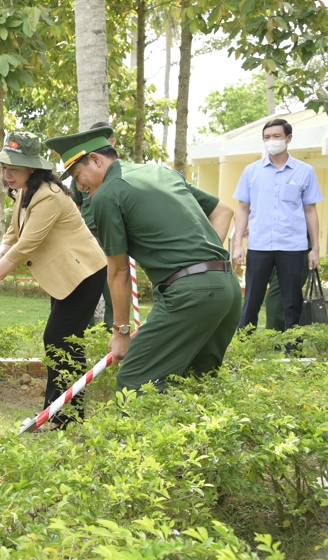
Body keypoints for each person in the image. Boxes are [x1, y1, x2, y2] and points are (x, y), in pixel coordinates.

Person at [47, 125, 241, 392]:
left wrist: (120, 333)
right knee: (197, 383)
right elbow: (223, 211)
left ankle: (136, 436)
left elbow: (118, 271)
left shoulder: (106, 195)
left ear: (96, 159)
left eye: (79, 176)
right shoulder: (159, 172)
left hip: (190, 295)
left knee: (134, 381)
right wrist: (202, 267)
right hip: (226, 286)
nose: (79, 187)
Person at [0, 132, 107, 427]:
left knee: (59, 340)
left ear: (32, 169)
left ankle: (63, 416)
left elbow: (27, 245)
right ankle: (60, 413)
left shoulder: (49, 196)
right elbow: (13, 233)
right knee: (66, 343)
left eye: (13, 169)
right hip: (65, 276)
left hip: (84, 275)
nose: (7, 174)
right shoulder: (25, 191)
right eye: (4, 168)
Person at [231, 118, 322, 334]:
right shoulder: (251, 171)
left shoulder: (305, 171)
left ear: (288, 139)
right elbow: (242, 208)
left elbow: (310, 211)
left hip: (293, 247)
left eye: (276, 136)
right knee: (251, 301)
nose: (271, 141)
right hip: (259, 245)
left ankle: (293, 349)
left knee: (292, 303)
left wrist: (315, 248)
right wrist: (237, 244)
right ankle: (247, 346)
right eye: (267, 137)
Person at [67, 121, 117, 328]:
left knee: (113, 285)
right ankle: (84, 329)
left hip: (112, 238)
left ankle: (112, 327)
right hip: (89, 237)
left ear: (112, 142)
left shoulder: (117, 175)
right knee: (85, 286)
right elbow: (75, 209)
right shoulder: (82, 174)